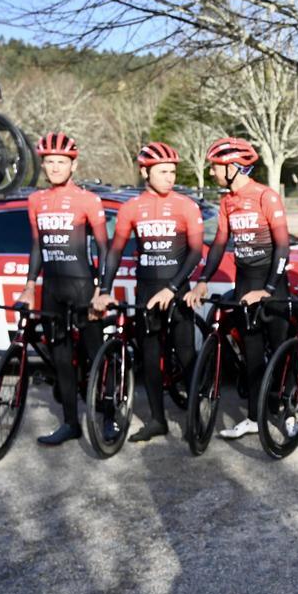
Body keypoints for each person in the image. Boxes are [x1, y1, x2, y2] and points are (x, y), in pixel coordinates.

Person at [93, 142, 203, 442]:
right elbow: (114, 253)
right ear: (145, 171)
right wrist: (104, 289)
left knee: (186, 354)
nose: (170, 177)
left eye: (172, 171)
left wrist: (171, 288)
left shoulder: (186, 205)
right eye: (163, 171)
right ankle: (157, 420)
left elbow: (195, 254)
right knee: (150, 358)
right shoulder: (131, 208)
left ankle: (194, 419)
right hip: (146, 291)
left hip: (177, 289)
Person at [185, 137, 290, 440]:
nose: (212, 174)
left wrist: (268, 289)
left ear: (233, 168)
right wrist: (203, 280)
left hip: (272, 284)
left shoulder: (265, 196)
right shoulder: (227, 201)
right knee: (252, 355)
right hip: (245, 282)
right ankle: (256, 417)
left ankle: (289, 411)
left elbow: (283, 247)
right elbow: (218, 244)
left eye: (216, 168)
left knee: (281, 351)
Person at [15, 132, 107, 446]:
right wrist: (29, 287)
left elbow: (104, 248)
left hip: (83, 287)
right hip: (52, 289)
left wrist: (102, 289)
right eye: (50, 162)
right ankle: (70, 423)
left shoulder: (87, 200)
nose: (55, 167)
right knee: (61, 359)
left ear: (73, 164)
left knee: (96, 355)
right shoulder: (36, 201)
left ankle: (106, 418)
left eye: (61, 162)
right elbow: (38, 246)